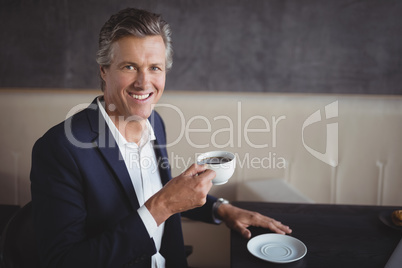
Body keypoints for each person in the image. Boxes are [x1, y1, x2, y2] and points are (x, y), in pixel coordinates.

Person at [30, 7, 292, 268]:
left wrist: (221, 209)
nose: (144, 83)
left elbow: (160, 191)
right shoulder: (60, 149)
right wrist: (162, 206)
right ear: (103, 70)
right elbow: (62, 261)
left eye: (155, 68)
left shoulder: (155, 121)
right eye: (130, 66)